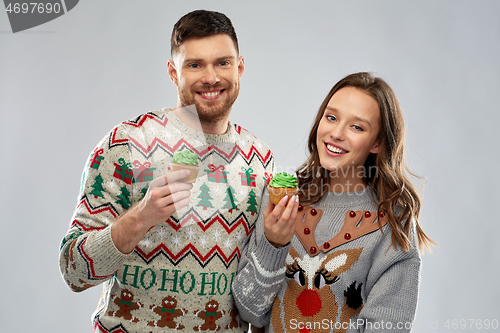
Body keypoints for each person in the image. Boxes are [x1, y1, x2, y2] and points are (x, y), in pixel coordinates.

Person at [59, 10, 275, 332]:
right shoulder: (127, 143)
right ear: (174, 73)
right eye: (195, 64)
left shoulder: (259, 160)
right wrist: (141, 217)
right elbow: (73, 271)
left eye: (223, 63)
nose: (212, 77)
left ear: (240, 67)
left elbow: (256, 295)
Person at [232, 72, 435, 333]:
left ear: (377, 143)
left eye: (357, 127)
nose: (336, 133)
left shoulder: (394, 222)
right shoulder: (281, 199)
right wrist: (273, 244)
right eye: (331, 117)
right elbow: (251, 312)